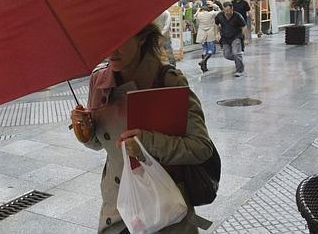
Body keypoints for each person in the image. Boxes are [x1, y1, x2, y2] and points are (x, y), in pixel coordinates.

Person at [70, 23, 214, 234]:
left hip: (164, 210)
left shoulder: (168, 81)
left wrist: (146, 143)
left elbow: (201, 147)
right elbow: (101, 144)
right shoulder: (99, 81)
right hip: (118, 210)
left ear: (142, 38)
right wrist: (84, 131)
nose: (112, 50)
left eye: (120, 40)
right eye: (106, 41)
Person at [215, 2, 248, 77]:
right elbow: (216, 24)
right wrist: (217, 33)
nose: (226, 13)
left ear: (232, 9)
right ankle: (239, 60)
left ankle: (240, 70)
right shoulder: (220, 15)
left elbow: (244, 26)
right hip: (225, 37)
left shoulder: (237, 16)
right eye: (225, 11)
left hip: (236, 36)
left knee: (236, 53)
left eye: (228, 11)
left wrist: (244, 37)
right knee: (226, 55)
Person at [195, 5, 220, 72]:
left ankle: (204, 67)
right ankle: (203, 61)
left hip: (202, 33)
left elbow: (195, 16)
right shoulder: (211, 14)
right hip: (209, 33)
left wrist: (198, 10)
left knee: (204, 50)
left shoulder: (199, 14)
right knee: (210, 49)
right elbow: (220, 12)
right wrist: (215, 6)